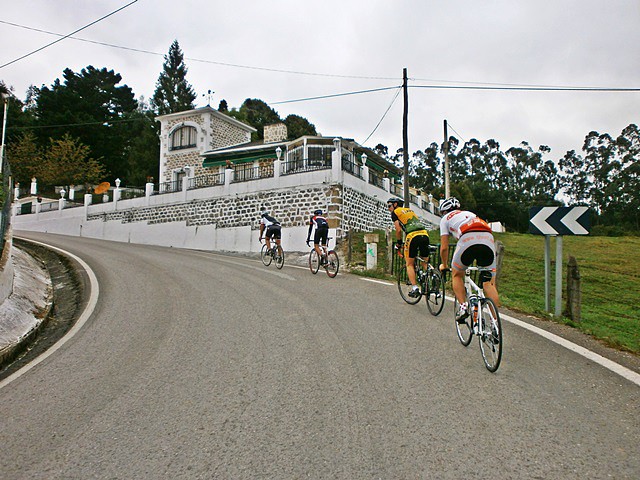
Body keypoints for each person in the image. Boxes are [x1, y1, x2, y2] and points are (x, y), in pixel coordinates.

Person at [437, 196, 500, 322]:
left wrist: (444, 265)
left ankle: (463, 307)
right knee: (489, 283)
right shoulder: (470, 214)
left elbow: (444, 248)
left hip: (467, 238)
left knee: (457, 275)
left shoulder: (445, 219)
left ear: (444, 211)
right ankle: (495, 322)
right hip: (488, 238)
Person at [387, 197, 431, 298]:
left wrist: (399, 244)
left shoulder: (395, 213)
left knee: (409, 264)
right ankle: (431, 278)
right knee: (424, 262)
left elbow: (398, 230)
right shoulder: (410, 211)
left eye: (389, 206)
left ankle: (415, 288)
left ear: (395, 205)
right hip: (425, 234)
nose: (388, 208)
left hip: (412, 236)